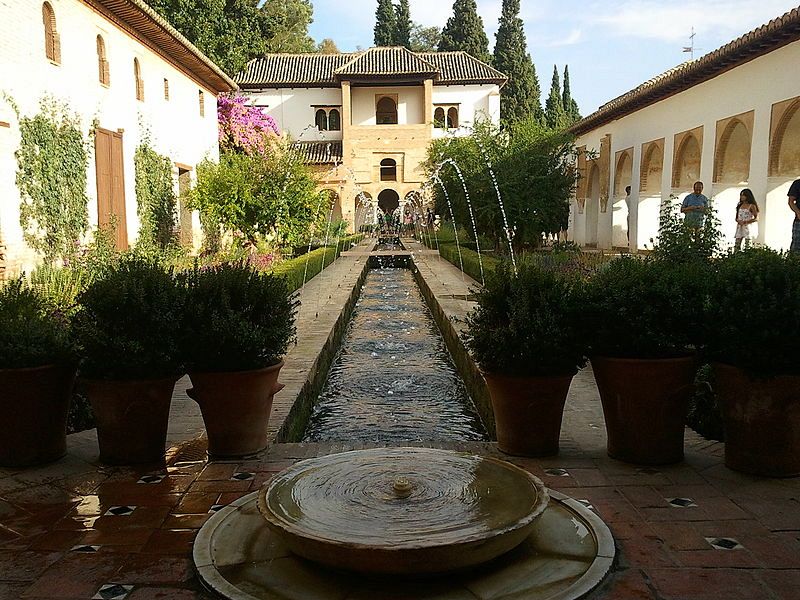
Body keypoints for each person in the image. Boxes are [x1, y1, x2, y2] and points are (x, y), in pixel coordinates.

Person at [789, 178, 800, 253]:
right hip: (799, 221)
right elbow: (791, 201)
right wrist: (798, 212)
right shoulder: (797, 183)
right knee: (796, 246)